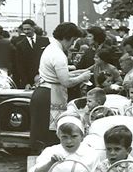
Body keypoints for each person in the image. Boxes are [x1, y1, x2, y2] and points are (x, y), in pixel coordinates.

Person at [30, 22, 92, 153]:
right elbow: (66, 82)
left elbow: (58, 75)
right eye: (73, 40)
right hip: (49, 95)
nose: (73, 44)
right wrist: (83, 77)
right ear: (67, 37)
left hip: (44, 91)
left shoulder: (51, 48)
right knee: (49, 134)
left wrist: (79, 72)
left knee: (40, 132)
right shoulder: (58, 54)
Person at [31, 114, 100, 172]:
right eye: (64, 137)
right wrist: (51, 162)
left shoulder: (91, 154)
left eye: (74, 136)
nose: (69, 141)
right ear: (58, 136)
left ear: (82, 136)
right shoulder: (50, 152)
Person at [13, 19, 50, 88]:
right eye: (24, 29)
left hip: (45, 77)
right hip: (29, 80)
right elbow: (20, 65)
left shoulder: (45, 41)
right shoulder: (20, 45)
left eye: (28, 29)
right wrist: (26, 83)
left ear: (34, 28)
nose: (26, 32)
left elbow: (50, 58)